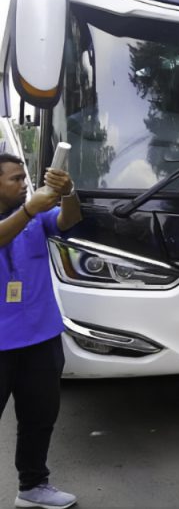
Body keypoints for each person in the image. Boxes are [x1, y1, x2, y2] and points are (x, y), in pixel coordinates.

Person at [0, 153, 83, 509]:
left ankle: (33, 487)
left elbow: (70, 219)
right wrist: (29, 210)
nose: (23, 184)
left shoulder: (35, 217)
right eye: (15, 179)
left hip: (42, 337)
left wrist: (68, 193)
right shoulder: (27, 213)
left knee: (39, 418)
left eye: (24, 178)